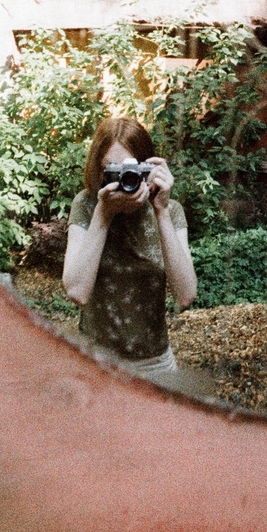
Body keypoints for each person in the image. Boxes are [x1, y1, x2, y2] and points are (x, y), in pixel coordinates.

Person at [62, 116, 197, 376]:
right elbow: (77, 291)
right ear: (98, 170)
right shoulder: (88, 205)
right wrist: (104, 213)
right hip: (94, 361)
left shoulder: (169, 210)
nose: (126, 179)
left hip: (154, 364)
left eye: (131, 169)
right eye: (112, 170)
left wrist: (161, 212)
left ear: (149, 166)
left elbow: (186, 294)